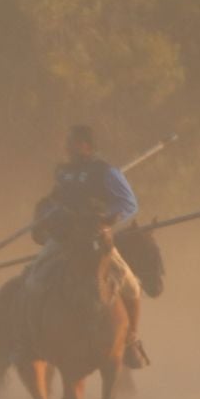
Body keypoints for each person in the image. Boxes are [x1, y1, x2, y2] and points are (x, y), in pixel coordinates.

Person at [27, 125, 148, 368]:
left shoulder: (105, 171)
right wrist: (45, 215)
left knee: (131, 285)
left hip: (95, 238)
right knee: (33, 280)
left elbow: (128, 203)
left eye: (73, 142)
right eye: (68, 142)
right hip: (64, 238)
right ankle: (32, 338)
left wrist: (105, 219)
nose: (68, 146)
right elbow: (54, 200)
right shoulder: (63, 172)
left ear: (86, 145)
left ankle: (130, 341)